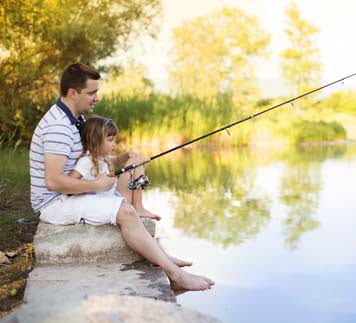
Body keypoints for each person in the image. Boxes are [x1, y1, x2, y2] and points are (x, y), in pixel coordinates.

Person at [29, 63, 215, 291]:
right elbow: (54, 182)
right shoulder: (58, 126)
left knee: (132, 167)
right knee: (125, 211)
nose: (97, 97)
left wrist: (120, 159)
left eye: (97, 91)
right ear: (72, 93)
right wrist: (97, 185)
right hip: (55, 202)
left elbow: (89, 157)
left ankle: (161, 255)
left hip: (74, 192)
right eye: (91, 92)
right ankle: (175, 275)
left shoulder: (74, 119)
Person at [68, 115, 161, 222]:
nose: (114, 144)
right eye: (110, 140)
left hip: (115, 196)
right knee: (136, 162)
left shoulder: (101, 157)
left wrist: (127, 155)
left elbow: (117, 160)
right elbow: (70, 183)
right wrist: (94, 185)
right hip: (110, 203)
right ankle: (138, 208)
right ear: (95, 141)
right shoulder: (86, 161)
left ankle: (139, 207)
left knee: (136, 160)